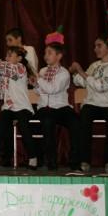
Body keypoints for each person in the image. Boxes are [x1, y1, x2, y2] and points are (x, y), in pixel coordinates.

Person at [69, 35, 108, 174]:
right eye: (95, 46)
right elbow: (82, 82)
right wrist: (74, 72)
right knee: (84, 116)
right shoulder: (94, 65)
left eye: (99, 45)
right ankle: (84, 162)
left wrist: (81, 71)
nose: (95, 49)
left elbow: (101, 86)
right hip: (92, 103)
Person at [0, 47, 37, 170]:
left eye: (10, 55)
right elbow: (1, 94)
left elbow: (4, 67)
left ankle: (33, 157)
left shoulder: (20, 69)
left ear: (19, 58)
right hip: (8, 107)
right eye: (6, 55)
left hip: (22, 107)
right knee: (0, 126)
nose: (6, 58)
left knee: (24, 126)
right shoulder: (5, 75)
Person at [34, 42, 78, 170]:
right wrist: (35, 84)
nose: (46, 56)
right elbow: (38, 91)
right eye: (45, 53)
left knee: (76, 122)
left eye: (49, 53)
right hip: (45, 107)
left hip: (61, 107)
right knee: (47, 121)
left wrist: (38, 80)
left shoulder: (64, 73)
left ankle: (75, 161)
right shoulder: (43, 71)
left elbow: (52, 89)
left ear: (59, 56)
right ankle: (51, 161)